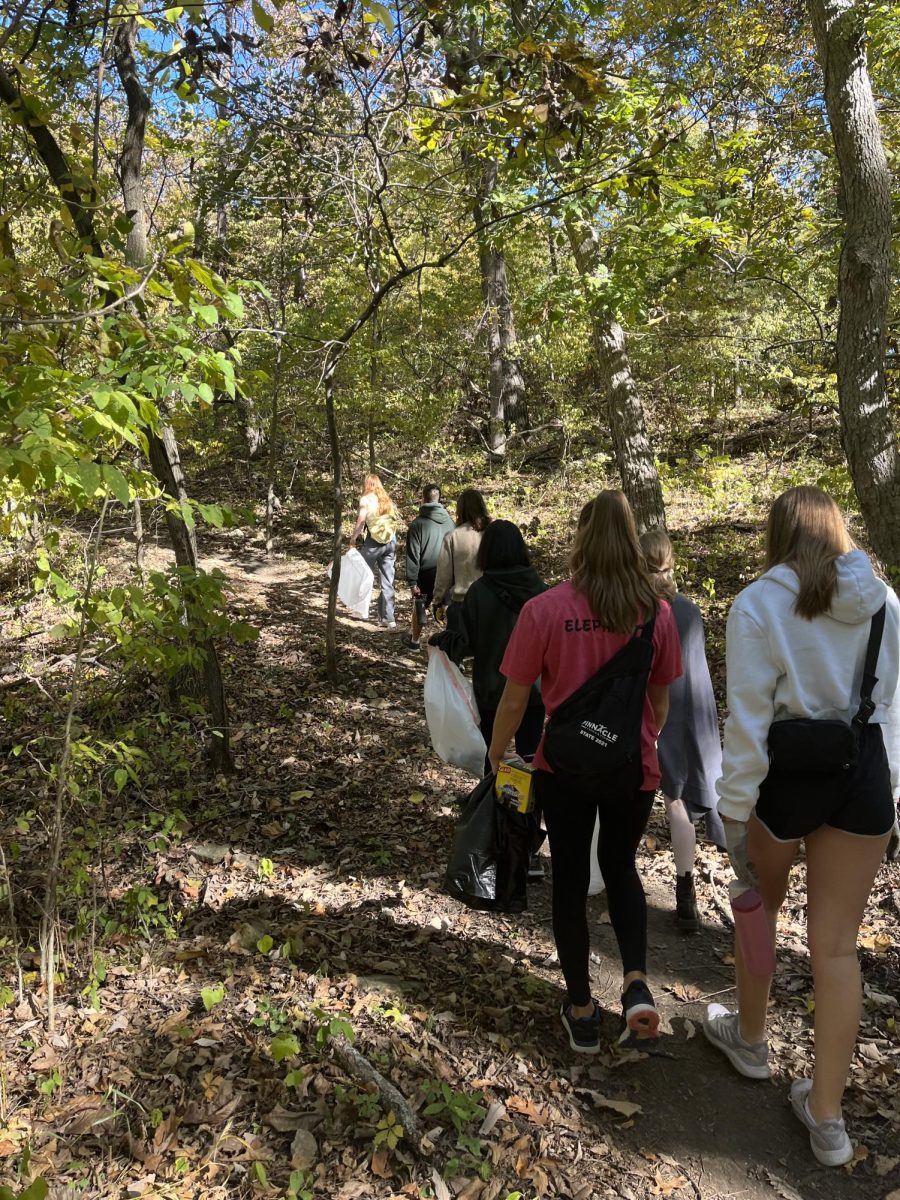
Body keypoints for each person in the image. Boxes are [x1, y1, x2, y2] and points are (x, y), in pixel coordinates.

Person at [703, 486, 900, 1167]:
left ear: (779, 535)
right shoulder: (884, 599)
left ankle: (751, 1040)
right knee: (837, 950)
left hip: (789, 774)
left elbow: (750, 721)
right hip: (864, 772)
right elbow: (891, 705)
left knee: (759, 909)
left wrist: (733, 808)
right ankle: (827, 1119)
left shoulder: (759, 603)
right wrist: (892, 790)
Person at [486, 491, 682, 1054]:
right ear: (629, 539)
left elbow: (513, 701)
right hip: (632, 768)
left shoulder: (544, 610)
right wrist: (637, 739)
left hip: (562, 766)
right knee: (620, 867)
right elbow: (660, 705)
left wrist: (496, 755)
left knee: (570, 877)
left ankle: (581, 1011)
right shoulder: (656, 613)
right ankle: (637, 984)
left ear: (581, 537)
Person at [640, 528, 726, 932]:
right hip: (689, 707)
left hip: (652, 706)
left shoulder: (637, 611)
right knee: (677, 801)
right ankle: (685, 889)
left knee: (636, 792)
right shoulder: (687, 610)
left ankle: (613, 875)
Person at [432, 519, 546, 770]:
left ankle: (491, 806)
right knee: (530, 759)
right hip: (534, 691)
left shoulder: (480, 592)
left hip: (493, 692)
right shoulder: (542, 591)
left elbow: (465, 645)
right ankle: (529, 808)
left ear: (486, 552)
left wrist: (441, 639)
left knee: (491, 758)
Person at [401, 484, 455, 651]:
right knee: (447, 607)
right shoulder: (451, 522)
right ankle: (452, 645)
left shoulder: (417, 524)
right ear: (439, 499)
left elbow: (413, 554)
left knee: (420, 604)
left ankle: (415, 641)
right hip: (447, 573)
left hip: (425, 573)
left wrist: (412, 581)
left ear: (423, 499)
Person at [432, 489, 491, 631]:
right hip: (490, 602)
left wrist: (437, 601)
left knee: (460, 649)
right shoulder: (493, 532)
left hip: (462, 603)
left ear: (461, 509)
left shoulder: (452, 536)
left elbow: (444, 575)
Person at [348, 474, 399, 629]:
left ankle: (361, 611)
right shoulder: (386, 498)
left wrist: (353, 538)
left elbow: (361, 521)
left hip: (373, 542)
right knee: (387, 580)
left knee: (363, 573)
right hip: (390, 541)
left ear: (367, 484)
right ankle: (388, 618)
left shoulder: (366, 499)